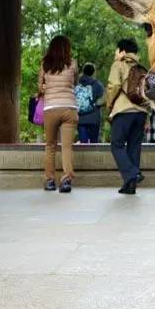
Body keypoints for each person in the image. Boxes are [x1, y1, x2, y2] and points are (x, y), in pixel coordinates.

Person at [106, 38, 148, 194]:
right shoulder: (142, 68)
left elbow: (114, 86)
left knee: (116, 145)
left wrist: (109, 105)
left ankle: (133, 173)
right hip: (141, 113)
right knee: (134, 147)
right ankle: (130, 186)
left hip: (123, 111)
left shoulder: (118, 65)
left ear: (122, 51)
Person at [38, 35, 78, 193]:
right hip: (69, 107)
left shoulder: (45, 64)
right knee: (67, 147)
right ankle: (66, 180)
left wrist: (46, 88)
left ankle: (49, 181)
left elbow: (41, 86)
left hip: (51, 108)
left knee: (50, 146)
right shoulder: (72, 63)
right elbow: (74, 82)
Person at [75, 63, 105, 143]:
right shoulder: (98, 85)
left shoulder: (77, 84)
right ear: (93, 72)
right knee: (94, 144)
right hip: (94, 118)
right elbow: (101, 101)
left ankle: (84, 156)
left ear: (83, 72)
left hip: (80, 118)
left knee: (83, 144)